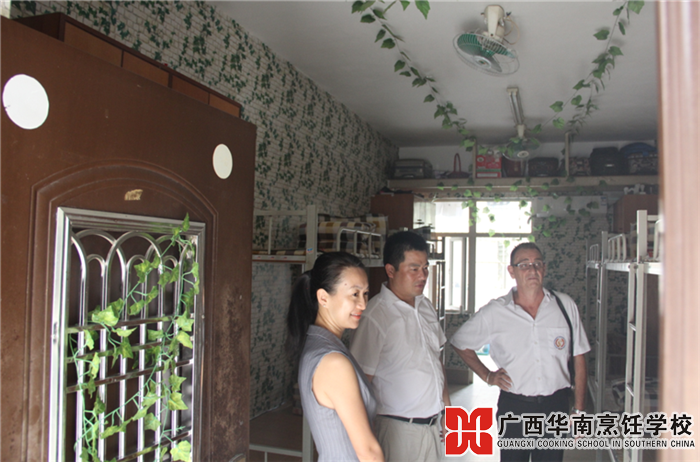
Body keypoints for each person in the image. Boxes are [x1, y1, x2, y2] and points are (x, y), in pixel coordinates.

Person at [450, 242, 590, 462]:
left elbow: (579, 357)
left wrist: (579, 410)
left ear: (544, 268)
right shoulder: (495, 312)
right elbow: (460, 342)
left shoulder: (564, 306)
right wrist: (487, 375)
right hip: (514, 408)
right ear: (511, 271)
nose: (532, 269)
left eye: (537, 263)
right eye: (524, 264)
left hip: (556, 406)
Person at [350, 231, 450, 462]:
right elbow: (360, 384)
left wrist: (447, 408)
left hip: (434, 426)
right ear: (390, 270)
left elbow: (436, 361)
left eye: (425, 267)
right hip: (399, 431)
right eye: (414, 269)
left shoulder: (425, 306)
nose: (423, 275)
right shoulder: (376, 316)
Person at [287, 252, 384, 462]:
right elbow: (368, 451)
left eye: (365, 294)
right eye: (354, 294)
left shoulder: (319, 345)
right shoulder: (333, 361)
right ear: (323, 298)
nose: (363, 304)